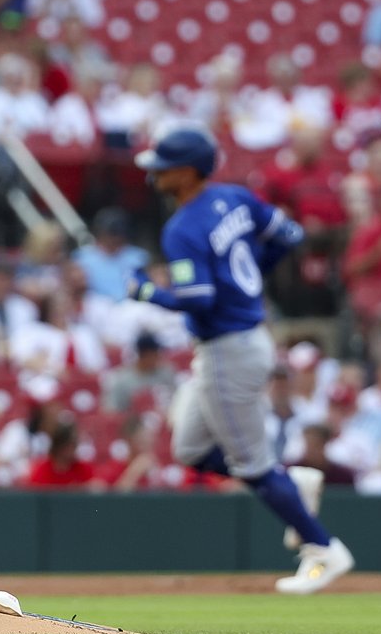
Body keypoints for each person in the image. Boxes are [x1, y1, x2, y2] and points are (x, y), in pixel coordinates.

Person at [126, 127, 355, 594]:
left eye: (163, 165)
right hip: (241, 338)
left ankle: (324, 549)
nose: (154, 172)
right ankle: (292, 484)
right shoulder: (234, 197)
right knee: (189, 448)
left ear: (187, 171)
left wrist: (147, 291)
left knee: (251, 465)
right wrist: (249, 276)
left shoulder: (183, 228)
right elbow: (289, 234)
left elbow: (201, 300)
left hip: (228, 349)